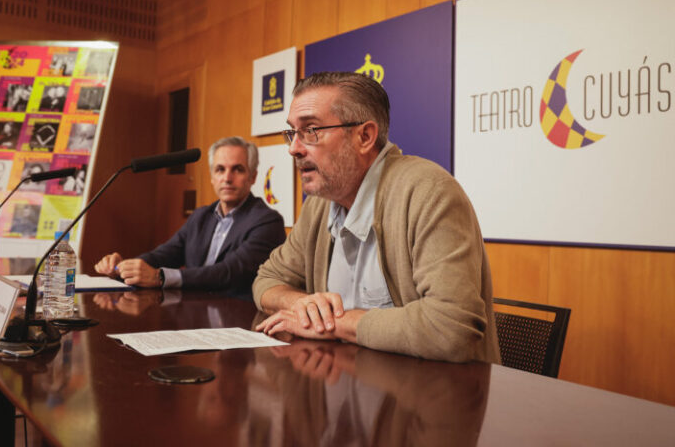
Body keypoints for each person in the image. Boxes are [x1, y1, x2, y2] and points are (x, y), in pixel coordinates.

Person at [253, 72, 500, 363]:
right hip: (347, 385)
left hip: (434, 397)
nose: (294, 148)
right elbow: (267, 279)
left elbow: (450, 327)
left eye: (311, 130)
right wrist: (303, 304)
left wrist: (335, 324)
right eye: (292, 132)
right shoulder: (318, 204)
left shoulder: (429, 191)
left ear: (365, 137)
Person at [94, 137, 286, 297]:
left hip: (238, 320)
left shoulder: (267, 222)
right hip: (193, 313)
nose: (227, 178)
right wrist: (124, 268)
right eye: (220, 169)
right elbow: (164, 254)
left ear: (252, 177)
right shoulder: (201, 216)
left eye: (237, 169)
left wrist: (160, 277)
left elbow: (228, 273)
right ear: (212, 177)